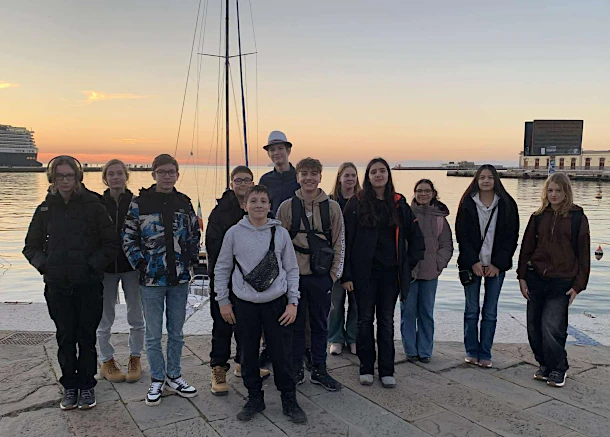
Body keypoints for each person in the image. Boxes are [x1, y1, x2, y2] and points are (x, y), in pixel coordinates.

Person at [23, 155, 118, 410]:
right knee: (65, 337)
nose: (65, 181)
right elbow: (30, 246)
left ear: (78, 177)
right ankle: (70, 387)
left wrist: (90, 266)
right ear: (52, 179)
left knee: (86, 337)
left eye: (69, 175)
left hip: (88, 285)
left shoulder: (94, 206)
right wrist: (46, 266)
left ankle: (86, 386)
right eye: (60, 176)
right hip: (57, 286)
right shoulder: (45, 209)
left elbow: (111, 244)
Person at [214, 185, 307, 424]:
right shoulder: (234, 233)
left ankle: (289, 399)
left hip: (276, 303)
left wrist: (293, 302)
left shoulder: (280, 233)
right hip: (244, 304)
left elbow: (292, 269)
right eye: (253, 201)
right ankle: (254, 397)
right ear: (245, 205)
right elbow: (222, 267)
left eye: (263, 201)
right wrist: (223, 301)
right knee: (247, 353)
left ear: (269, 206)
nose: (258, 205)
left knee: (282, 353)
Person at [122, 154, 200, 406]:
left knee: (176, 332)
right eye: (162, 172)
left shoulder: (184, 202)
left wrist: (190, 260)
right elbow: (128, 237)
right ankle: (157, 378)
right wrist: (140, 264)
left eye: (171, 172)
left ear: (177, 175)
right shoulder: (139, 203)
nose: (167, 176)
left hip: (179, 278)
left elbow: (194, 233)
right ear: (154, 174)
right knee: (153, 334)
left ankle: (174, 375)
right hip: (151, 280)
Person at [342, 157, 425, 388]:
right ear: (367, 177)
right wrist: (346, 275)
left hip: (391, 275)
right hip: (364, 275)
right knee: (364, 321)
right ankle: (366, 367)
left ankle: (387, 370)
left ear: (388, 175)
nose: (378, 175)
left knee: (386, 322)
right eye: (373, 172)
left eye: (382, 171)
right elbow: (345, 241)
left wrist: (407, 266)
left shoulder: (399, 204)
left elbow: (417, 239)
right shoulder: (356, 203)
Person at [277, 157, 345, 391]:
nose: (309, 178)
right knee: (295, 326)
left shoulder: (332, 207)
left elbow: (339, 242)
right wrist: (283, 277)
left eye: (313, 173)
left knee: (320, 325)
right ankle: (296, 368)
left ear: (320, 177)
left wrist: (333, 276)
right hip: (294, 278)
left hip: (321, 277)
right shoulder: (286, 207)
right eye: (304, 173)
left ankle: (319, 369)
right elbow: (278, 244)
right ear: (297, 177)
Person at [517, 173, 590, 388]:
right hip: (536, 278)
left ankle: (559, 367)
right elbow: (526, 249)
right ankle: (544, 364)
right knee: (534, 327)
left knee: (552, 326)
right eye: (550, 190)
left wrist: (578, 285)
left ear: (566, 192)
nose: (554, 194)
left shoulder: (577, 218)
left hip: (562, 280)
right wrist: (522, 276)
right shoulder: (538, 216)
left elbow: (584, 254)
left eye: (558, 190)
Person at [205, 166, 270, 396]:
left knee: (247, 327)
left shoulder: (258, 209)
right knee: (222, 326)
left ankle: (244, 363)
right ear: (231, 183)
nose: (243, 184)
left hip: (250, 281)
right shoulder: (220, 211)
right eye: (238, 180)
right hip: (225, 278)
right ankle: (218, 368)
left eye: (247, 180)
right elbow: (213, 247)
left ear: (253, 183)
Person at [455, 164, 519, 368]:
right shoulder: (467, 202)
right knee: (471, 310)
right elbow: (462, 235)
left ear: (496, 180)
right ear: (476, 180)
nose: (486, 181)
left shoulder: (507, 203)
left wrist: (498, 264)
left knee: (490, 311)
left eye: (490, 177)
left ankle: (485, 352)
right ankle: (471, 350)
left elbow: (511, 237)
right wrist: (472, 261)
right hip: (471, 264)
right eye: (482, 177)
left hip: (495, 266)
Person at [97, 159, 144, 384]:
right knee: (104, 317)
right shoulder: (97, 204)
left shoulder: (137, 203)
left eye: (119, 173)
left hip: (131, 267)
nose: (115, 177)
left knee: (136, 315)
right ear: (105, 178)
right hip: (105, 268)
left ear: (126, 176)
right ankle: (106, 360)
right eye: (111, 174)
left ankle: (135, 357)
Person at [258, 130, 302, 367]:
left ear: (288, 150)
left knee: (296, 296)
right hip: (272, 245)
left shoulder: (299, 177)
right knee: (272, 296)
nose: (276, 153)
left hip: (298, 245)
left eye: (280, 149)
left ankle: (300, 348)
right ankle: (269, 347)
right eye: (272, 149)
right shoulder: (265, 180)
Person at [400, 179, 454, 363]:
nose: (423, 194)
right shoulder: (406, 214)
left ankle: (425, 351)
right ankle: (410, 350)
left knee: (426, 313)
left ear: (433, 193)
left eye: (427, 191)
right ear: (414, 193)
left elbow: (447, 244)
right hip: (410, 272)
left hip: (431, 272)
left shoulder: (439, 218)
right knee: (408, 312)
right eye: (419, 191)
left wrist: (439, 263)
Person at [328, 162, 361, 356]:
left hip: (357, 260)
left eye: (353, 175)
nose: (350, 178)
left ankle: (353, 337)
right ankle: (335, 338)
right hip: (334, 260)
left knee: (356, 303)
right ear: (339, 178)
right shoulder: (330, 201)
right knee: (335, 303)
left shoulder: (363, 201)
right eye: (346, 175)